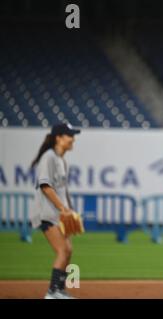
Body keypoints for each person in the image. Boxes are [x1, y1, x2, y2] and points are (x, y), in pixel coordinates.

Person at [31, 123, 81, 299]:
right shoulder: (49, 157)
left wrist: (69, 210)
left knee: (68, 249)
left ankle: (59, 290)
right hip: (46, 213)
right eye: (69, 135)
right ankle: (52, 293)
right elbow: (45, 186)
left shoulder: (61, 160)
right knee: (62, 250)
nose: (73, 139)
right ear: (58, 137)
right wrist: (62, 208)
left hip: (57, 214)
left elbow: (62, 190)